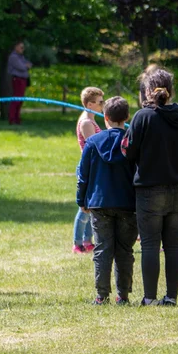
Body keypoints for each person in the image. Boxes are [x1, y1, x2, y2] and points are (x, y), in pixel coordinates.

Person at [121, 67, 178, 306]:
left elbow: (128, 151)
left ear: (147, 91)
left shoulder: (142, 117)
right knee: (174, 244)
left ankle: (150, 297)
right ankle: (172, 297)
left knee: (150, 245)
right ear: (172, 91)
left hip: (149, 188)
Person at [77, 96, 136, 305]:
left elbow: (83, 174)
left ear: (105, 117)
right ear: (127, 117)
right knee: (124, 249)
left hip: (100, 202)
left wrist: (81, 199)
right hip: (128, 202)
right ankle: (123, 295)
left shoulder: (93, 142)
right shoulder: (132, 142)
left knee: (102, 248)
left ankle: (102, 295)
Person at [73, 87, 103, 253]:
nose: (102, 105)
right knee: (84, 209)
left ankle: (87, 241)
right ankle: (78, 243)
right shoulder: (86, 122)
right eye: (100, 102)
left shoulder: (91, 119)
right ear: (90, 104)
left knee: (91, 207)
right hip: (88, 168)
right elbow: (95, 146)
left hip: (93, 167)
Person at [7, 42, 32, 125]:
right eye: (21, 47)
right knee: (16, 99)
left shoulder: (21, 57)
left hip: (23, 79)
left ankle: (17, 118)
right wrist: (26, 65)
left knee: (20, 100)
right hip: (17, 79)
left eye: (23, 47)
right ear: (16, 47)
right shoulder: (13, 57)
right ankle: (12, 118)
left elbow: (29, 64)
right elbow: (22, 67)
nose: (22, 49)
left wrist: (27, 65)